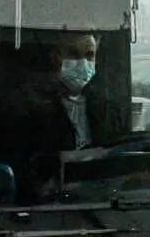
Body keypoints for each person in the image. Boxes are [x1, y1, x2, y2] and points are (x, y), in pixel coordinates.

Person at [10, 32, 119, 199]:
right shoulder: (31, 107)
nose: (83, 63)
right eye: (73, 54)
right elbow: (23, 167)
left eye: (89, 55)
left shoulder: (106, 108)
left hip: (100, 203)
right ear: (56, 56)